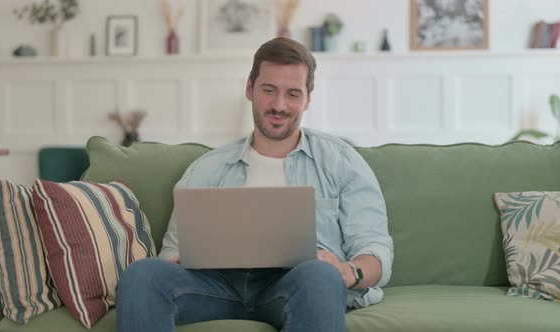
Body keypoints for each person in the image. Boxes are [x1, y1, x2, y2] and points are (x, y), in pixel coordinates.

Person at [116, 37, 393, 332]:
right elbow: (172, 251)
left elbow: (375, 250)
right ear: (250, 89)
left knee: (321, 275)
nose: (279, 105)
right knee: (142, 274)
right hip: (216, 286)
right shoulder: (208, 168)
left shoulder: (341, 162)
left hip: (296, 285)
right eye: (269, 90)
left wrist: (348, 271)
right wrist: (178, 259)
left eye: (293, 94)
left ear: (308, 99)